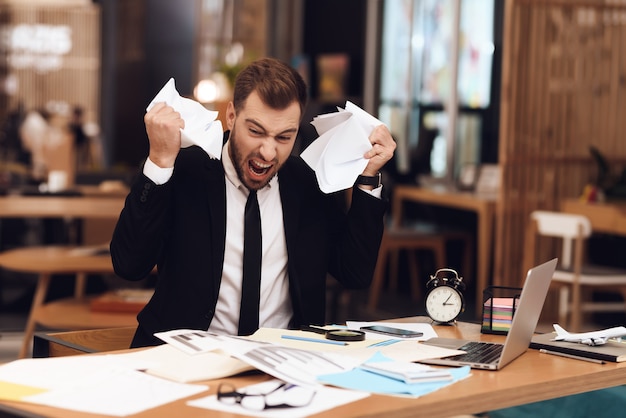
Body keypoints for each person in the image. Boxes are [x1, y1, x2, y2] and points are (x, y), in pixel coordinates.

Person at [110, 57, 396, 348]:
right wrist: (158, 161)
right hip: (182, 359)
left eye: (284, 137)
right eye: (256, 132)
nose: (269, 152)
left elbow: (354, 273)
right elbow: (129, 265)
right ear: (231, 116)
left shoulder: (306, 182)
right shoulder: (185, 171)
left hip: (281, 363)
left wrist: (368, 179)